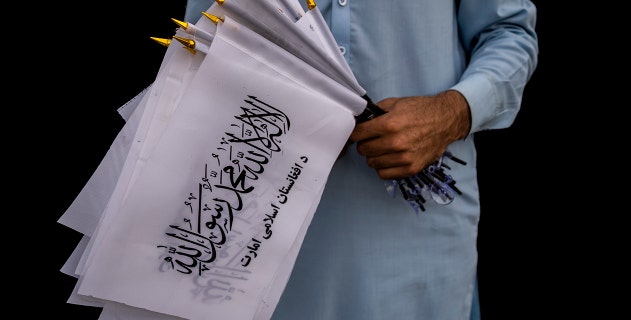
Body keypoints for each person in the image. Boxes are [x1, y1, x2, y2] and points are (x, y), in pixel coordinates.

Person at [183, 0, 539, 319]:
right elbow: (205, 39)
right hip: (254, 225)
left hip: (414, 238)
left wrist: (451, 113)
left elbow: (508, 32)